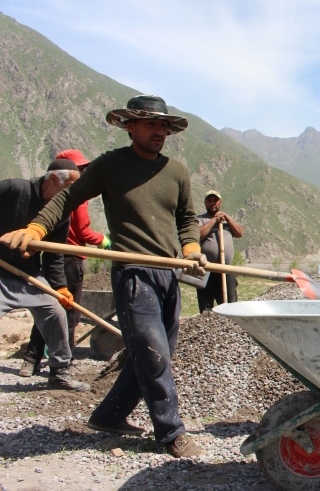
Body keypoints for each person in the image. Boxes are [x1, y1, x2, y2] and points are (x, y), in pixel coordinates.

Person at [1, 95, 208, 459]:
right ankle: (171, 432)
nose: (159, 131)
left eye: (163, 126)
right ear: (131, 126)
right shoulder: (112, 165)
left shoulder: (176, 171)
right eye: (151, 124)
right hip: (133, 274)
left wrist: (190, 249)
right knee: (153, 352)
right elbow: (67, 198)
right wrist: (36, 228)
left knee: (156, 352)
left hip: (168, 274)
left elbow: (187, 218)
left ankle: (109, 416)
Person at [19, 149, 110, 377]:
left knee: (48, 310)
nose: (85, 173)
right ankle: (63, 363)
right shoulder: (75, 197)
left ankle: (31, 360)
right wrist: (103, 239)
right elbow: (83, 231)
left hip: (53, 258)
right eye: (82, 168)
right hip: (68, 259)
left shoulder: (53, 196)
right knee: (69, 314)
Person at [0, 159, 89, 391]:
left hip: (27, 276)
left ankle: (59, 372)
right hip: (0, 274)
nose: (73, 194)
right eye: (70, 187)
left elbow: (54, 254)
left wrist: (60, 287)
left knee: (55, 312)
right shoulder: (14, 189)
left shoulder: (61, 211)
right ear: (53, 179)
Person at [196, 189, 244, 312]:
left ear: (220, 202)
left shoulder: (226, 220)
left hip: (226, 269)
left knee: (230, 305)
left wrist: (227, 218)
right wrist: (214, 221)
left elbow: (240, 233)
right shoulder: (200, 219)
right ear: (205, 203)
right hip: (207, 270)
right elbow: (198, 235)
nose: (213, 203)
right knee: (206, 308)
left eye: (215, 200)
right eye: (209, 200)